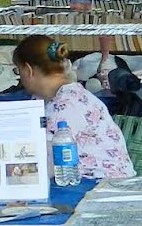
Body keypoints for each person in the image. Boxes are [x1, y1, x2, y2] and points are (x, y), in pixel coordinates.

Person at [12, 34, 135, 180]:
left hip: (101, 187)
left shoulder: (64, 106)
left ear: (28, 70)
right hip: (92, 182)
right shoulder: (67, 95)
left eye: (17, 70)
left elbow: (45, 165)